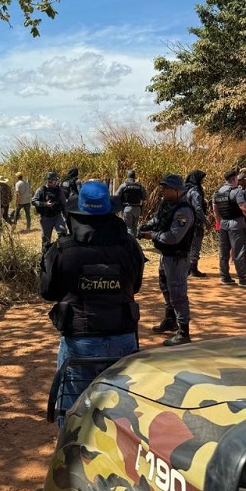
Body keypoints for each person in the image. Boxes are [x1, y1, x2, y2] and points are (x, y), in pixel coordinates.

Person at [41, 181, 144, 424]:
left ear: (76, 213)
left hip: (81, 341)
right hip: (122, 336)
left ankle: (72, 448)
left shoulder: (63, 249)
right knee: (122, 410)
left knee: (73, 411)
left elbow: (47, 292)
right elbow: (136, 286)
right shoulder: (129, 245)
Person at [139, 174, 196, 345]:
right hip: (166, 255)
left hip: (177, 258)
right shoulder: (167, 204)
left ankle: (184, 332)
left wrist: (152, 235)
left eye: (166, 188)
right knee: (165, 287)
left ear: (177, 190)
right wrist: (147, 226)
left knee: (177, 293)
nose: (162, 191)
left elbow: (174, 237)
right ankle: (170, 320)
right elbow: (157, 219)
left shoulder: (184, 210)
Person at [213, 169, 246, 288]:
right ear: (234, 179)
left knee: (224, 252)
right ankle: (243, 279)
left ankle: (225, 277)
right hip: (236, 224)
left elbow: (215, 209)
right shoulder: (236, 191)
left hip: (223, 224)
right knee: (239, 252)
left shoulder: (218, 192)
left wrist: (219, 222)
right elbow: (243, 207)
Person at [32, 171, 68, 252]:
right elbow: (33, 201)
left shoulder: (59, 190)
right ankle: (45, 255)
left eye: (52, 179)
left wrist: (67, 217)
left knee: (63, 233)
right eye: (49, 179)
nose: (50, 181)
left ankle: (62, 253)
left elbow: (64, 204)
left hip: (57, 216)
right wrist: (45, 204)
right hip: (46, 218)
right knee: (46, 239)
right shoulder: (41, 190)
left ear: (56, 181)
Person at [185, 169, 210, 277]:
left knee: (188, 245)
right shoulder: (195, 192)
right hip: (195, 223)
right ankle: (193, 269)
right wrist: (206, 221)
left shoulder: (185, 190)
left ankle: (187, 269)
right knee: (195, 245)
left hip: (186, 222)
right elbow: (198, 209)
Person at [116, 169, 147, 237]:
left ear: (127, 176)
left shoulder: (124, 185)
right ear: (134, 177)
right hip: (137, 210)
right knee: (134, 227)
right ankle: (134, 241)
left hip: (127, 209)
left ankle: (130, 242)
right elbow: (145, 197)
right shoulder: (140, 186)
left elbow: (116, 196)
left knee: (128, 227)